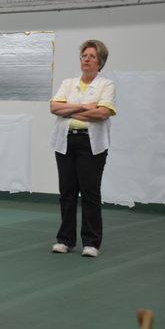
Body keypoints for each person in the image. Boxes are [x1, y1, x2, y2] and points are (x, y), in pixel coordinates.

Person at [50, 40, 116, 257]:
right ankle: (65, 240)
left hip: (91, 144)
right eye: (84, 56)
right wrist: (85, 107)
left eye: (92, 57)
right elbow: (54, 107)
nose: (86, 60)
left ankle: (91, 243)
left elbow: (102, 114)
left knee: (90, 192)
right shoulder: (68, 83)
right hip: (66, 141)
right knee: (67, 192)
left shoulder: (106, 85)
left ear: (100, 62)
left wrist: (69, 111)